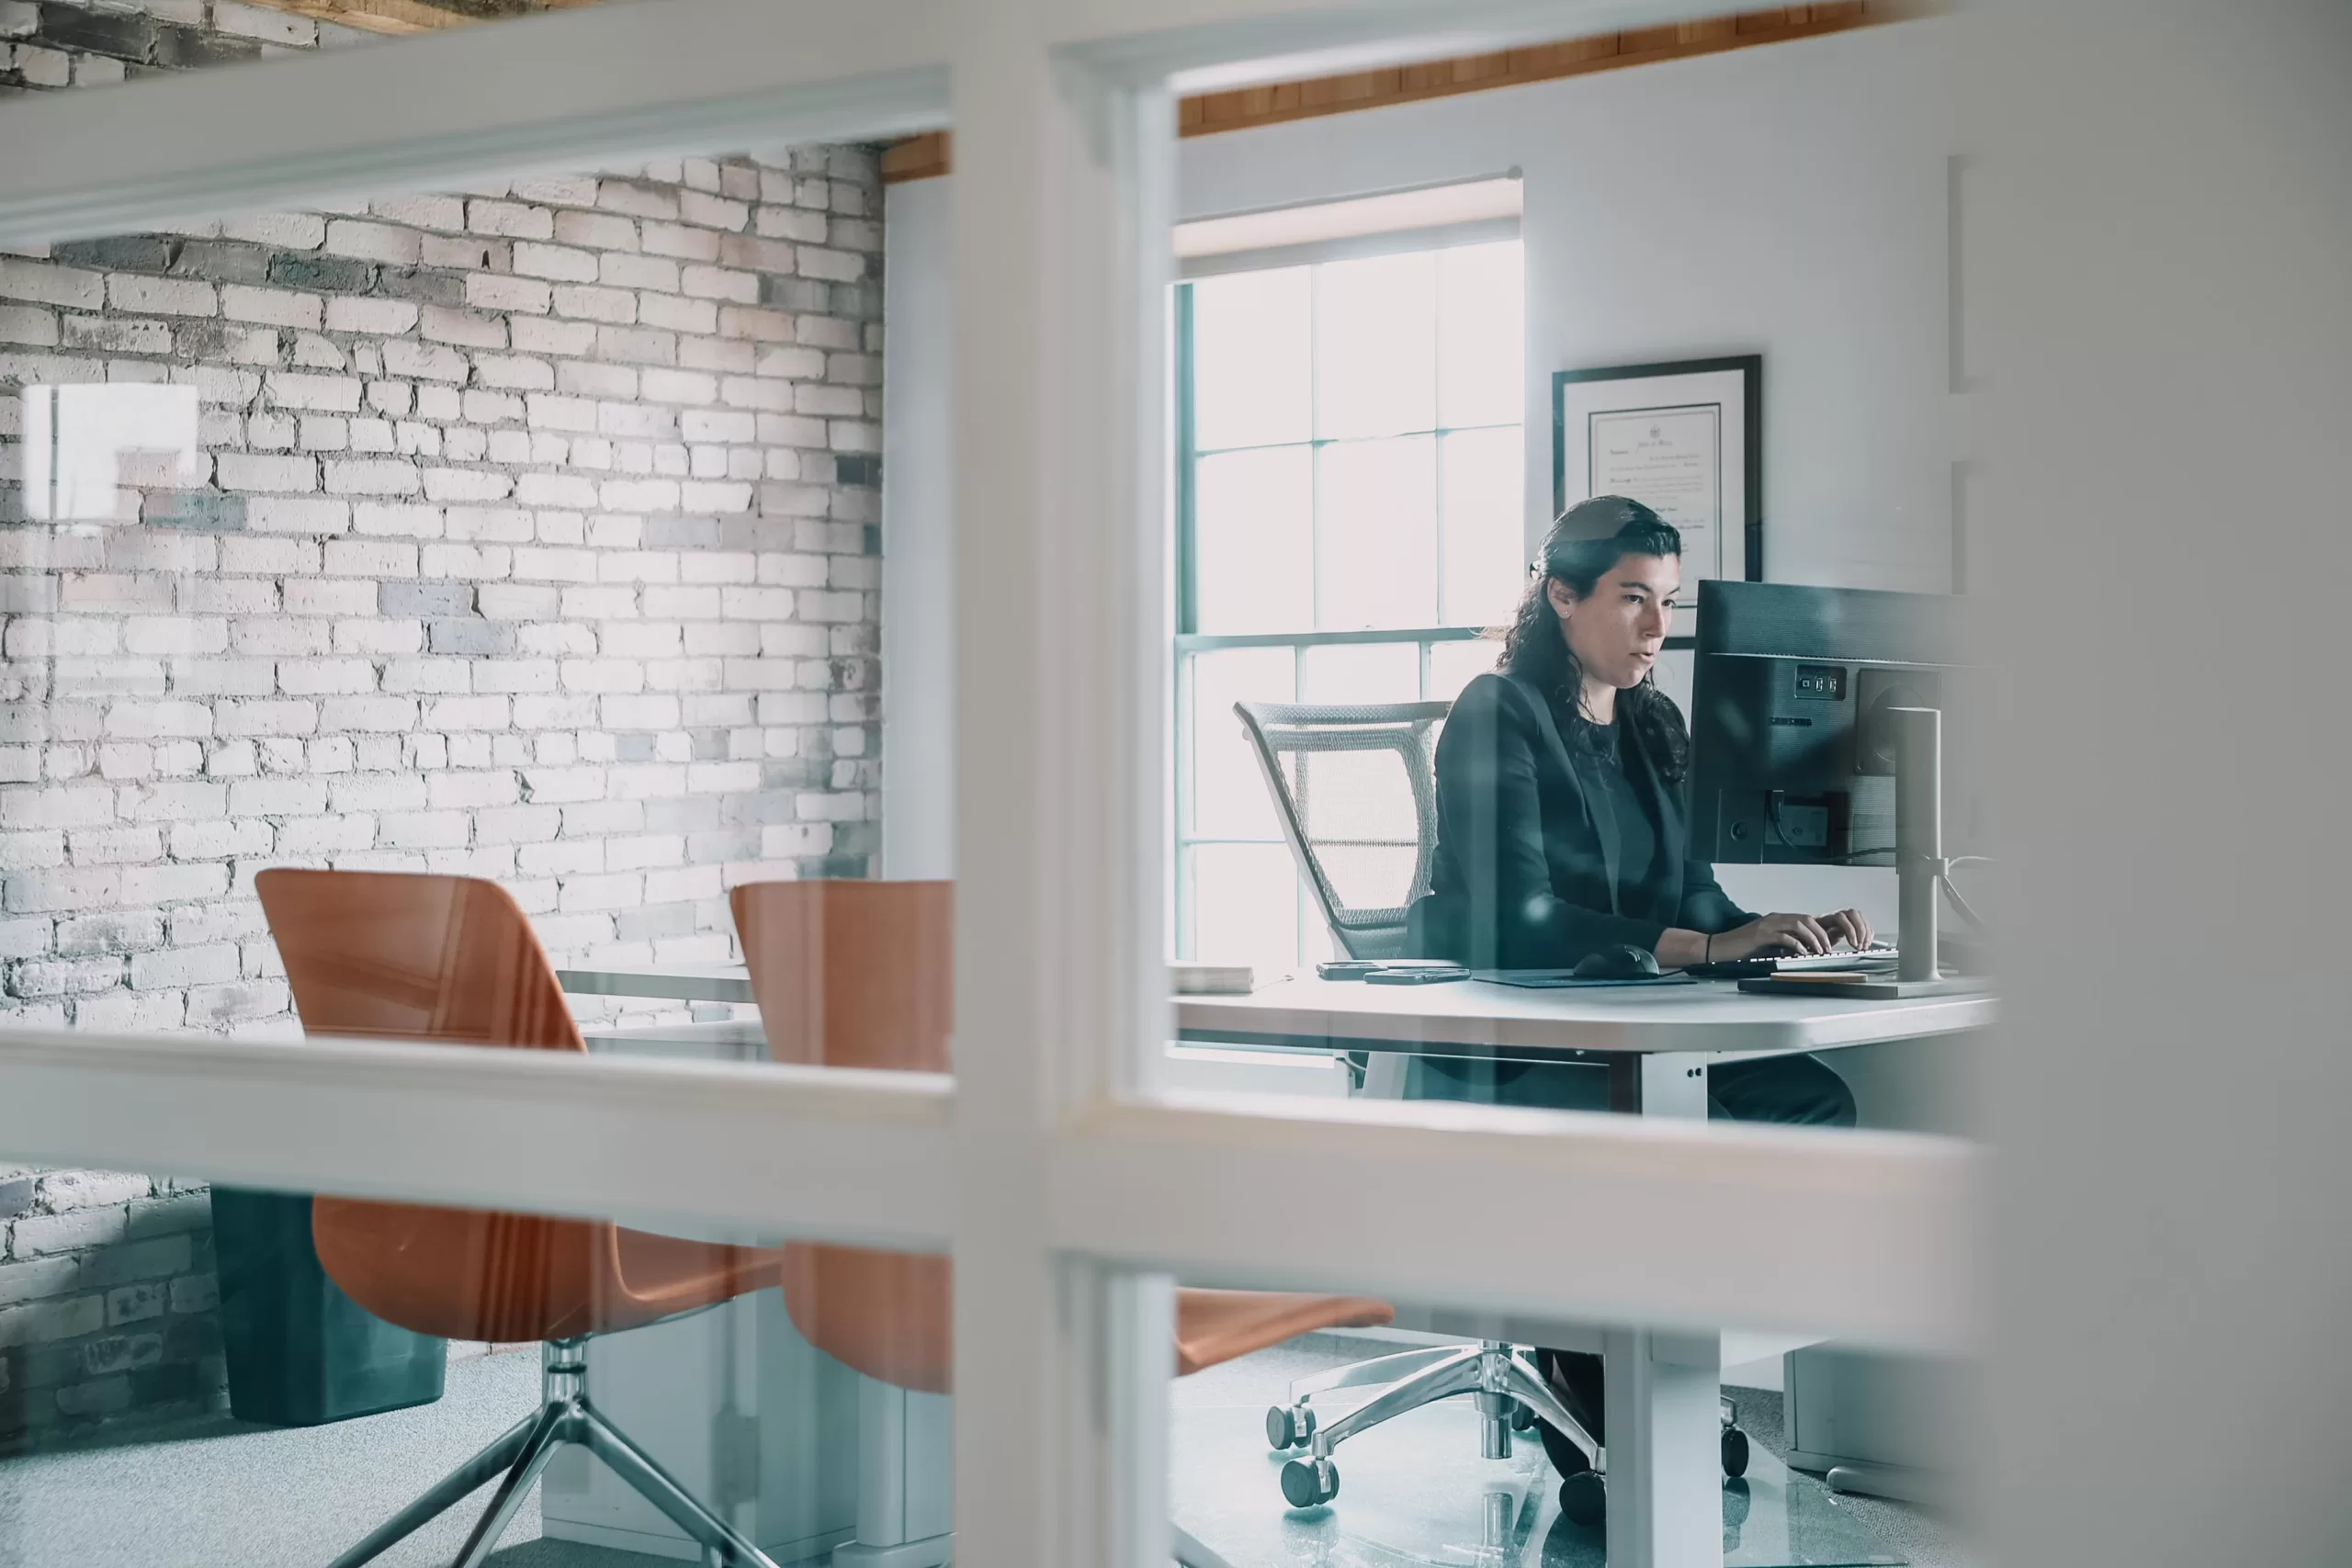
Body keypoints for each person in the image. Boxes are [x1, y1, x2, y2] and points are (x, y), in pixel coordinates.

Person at [1402, 495, 1867, 1483]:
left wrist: (1779, 935)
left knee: (1811, 1098)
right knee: (1645, 1136)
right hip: (1525, 1041)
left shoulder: (1653, 719)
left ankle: (1664, 1347)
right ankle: (1605, 1381)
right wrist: (1701, 946)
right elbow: (1515, 916)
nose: (1658, 628)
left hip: (1629, 1027)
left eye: (1665, 601)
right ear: (1560, 597)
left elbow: (1692, 891)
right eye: (1630, 600)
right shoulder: (1499, 714)